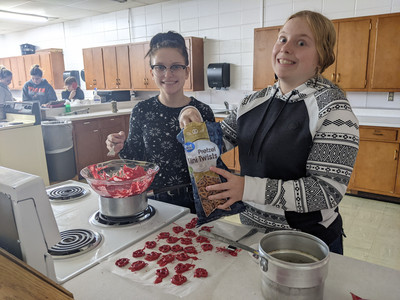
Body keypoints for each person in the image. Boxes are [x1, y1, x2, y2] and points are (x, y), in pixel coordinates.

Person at [179, 10, 359, 254]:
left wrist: (247, 188)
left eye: (301, 42)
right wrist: (192, 122)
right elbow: (215, 145)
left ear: (322, 57)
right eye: (283, 39)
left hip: (306, 244)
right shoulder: (252, 101)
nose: (286, 48)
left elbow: (326, 192)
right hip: (252, 234)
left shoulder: (333, 108)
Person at [106, 31, 214, 213]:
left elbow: (212, 162)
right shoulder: (141, 111)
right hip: (155, 200)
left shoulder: (202, 112)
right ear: (152, 72)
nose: (168, 74)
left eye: (176, 67)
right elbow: (136, 161)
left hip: (197, 199)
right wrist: (119, 146)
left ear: (187, 71)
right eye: (160, 67)